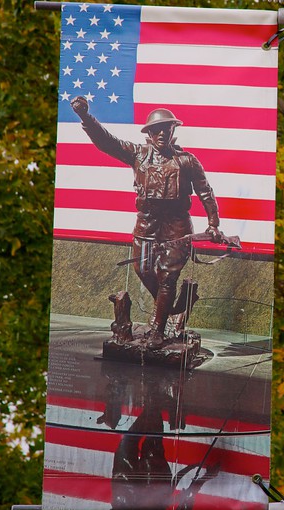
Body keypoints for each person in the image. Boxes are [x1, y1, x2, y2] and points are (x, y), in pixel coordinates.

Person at [70, 96, 222, 349]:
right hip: (147, 224)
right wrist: (85, 116)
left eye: (166, 128)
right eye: (156, 129)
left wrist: (213, 224)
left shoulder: (187, 160)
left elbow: (206, 192)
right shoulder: (137, 154)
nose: (162, 133)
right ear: (149, 134)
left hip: (177, 226)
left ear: (173, 131)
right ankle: (171, 308)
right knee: (143, 270)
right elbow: (106, 142)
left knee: (168, 279)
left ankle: (157, 331)